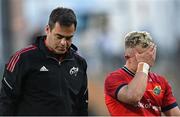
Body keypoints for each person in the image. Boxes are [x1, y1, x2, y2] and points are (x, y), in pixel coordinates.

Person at [0, 7, 88, 116]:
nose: (63, 43)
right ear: (47, 30)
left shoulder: (80, 63)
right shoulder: (22, 59)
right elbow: (6, 102)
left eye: (69, 38)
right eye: (59, 37)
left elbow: (82, 106)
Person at [104, 31, 180, 116]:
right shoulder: (114, 78)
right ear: (127, 56)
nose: (148, 57)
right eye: (142, 55)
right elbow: (133, 96)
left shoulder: (161, 81)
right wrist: (143, 64)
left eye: (150, 53)